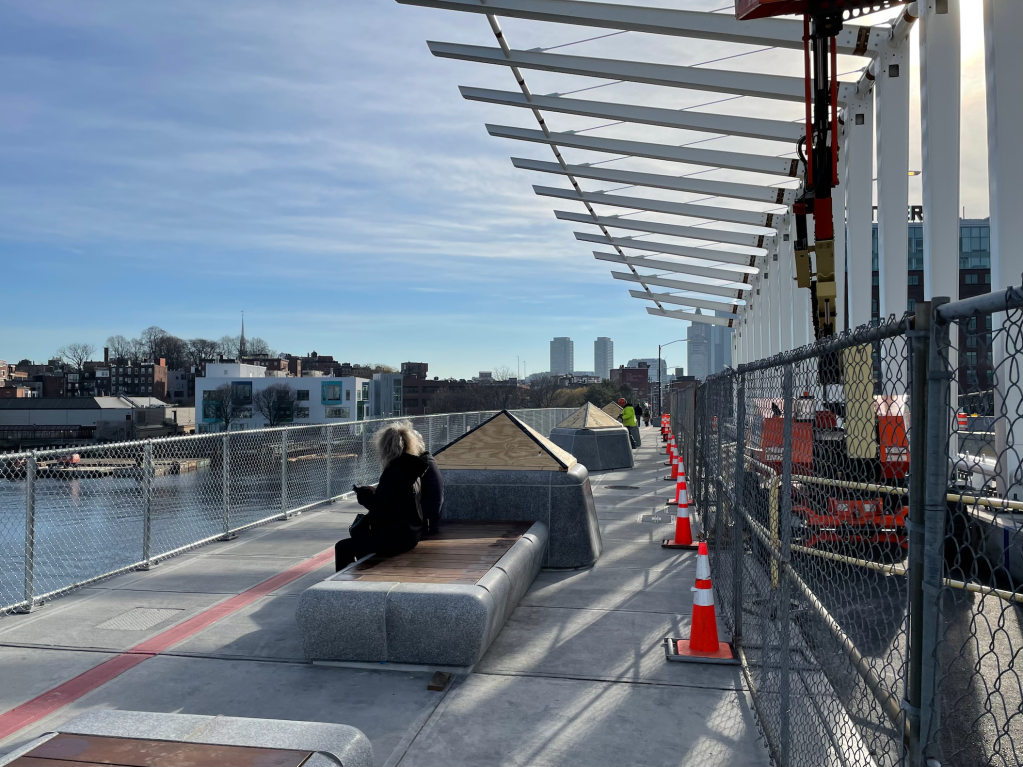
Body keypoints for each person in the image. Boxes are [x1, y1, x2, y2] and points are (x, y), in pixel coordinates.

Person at [335, 421, 429, 571]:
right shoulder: (411, 469)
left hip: (397, 538)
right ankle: (360, 573)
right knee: (361, 543)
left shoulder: (393, 472)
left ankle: (343, 583)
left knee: (342, 547)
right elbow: (396, 501)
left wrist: (364, 497)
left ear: (385, 448)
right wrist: (378, 492)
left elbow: (381, 509)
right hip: (412, 533)